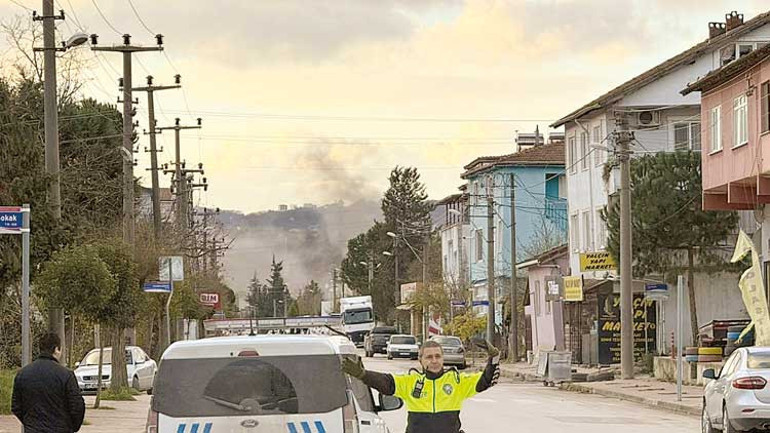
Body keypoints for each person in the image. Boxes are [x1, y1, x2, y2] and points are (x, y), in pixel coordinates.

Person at [342, 337, 500, 433]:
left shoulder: (456, 381)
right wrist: (362, 374)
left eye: (438, 356)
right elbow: (386, 383)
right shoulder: (412, 382)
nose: (434, 360)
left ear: (443, 359)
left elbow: (486, 380)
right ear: (421, 360)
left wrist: (493, 358)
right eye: (429, 357)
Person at [12, 332, 86, 433]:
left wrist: (29, 422)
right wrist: (71, 427)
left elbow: (16, 406)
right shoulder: (66, 375)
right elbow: (77, 406)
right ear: (56, 349)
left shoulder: (22, 374)